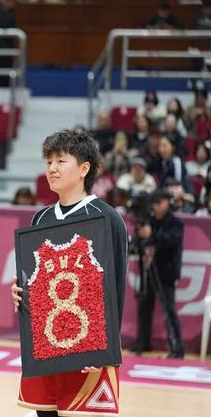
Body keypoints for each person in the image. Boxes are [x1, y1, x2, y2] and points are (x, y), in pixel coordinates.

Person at [11, 129, 128, 417]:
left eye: (60, 161)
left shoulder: (107, 217)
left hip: (88, 353)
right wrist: (20, 292)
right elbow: (35, 279)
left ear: (84, 168)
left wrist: (104, 351)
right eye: (49, 162)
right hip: (45, 348)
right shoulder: (41, 217)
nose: (52, 168)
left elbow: (116, 288)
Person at [132, 189, 185, 358]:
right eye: (154, 203)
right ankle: (143, 343)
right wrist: (141, 238)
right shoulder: (149, 221)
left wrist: (152, 234)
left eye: (159, 202)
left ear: (167, 203)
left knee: (168, 310)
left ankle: (177, 348)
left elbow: (171, 240)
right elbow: (138, 244)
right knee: (144, 307)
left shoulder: (176, 223)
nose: (156, 206)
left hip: (166, 272)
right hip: (147, 270)